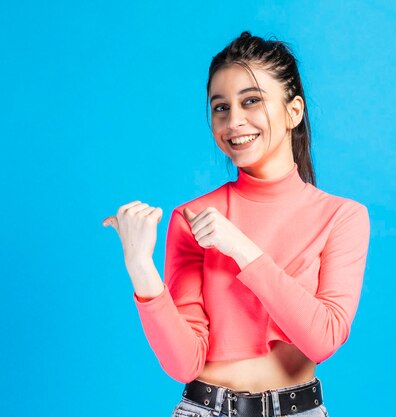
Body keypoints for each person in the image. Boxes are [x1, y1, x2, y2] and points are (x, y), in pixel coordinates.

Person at [102, 31, 370, 417]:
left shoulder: (341, 217)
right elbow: (183, 364)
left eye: (251, 101)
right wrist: (141, 268)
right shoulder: (191, 218)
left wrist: (241, 248)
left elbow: (323, 339)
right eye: (221, 107)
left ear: (294, 111)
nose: (234, 121)